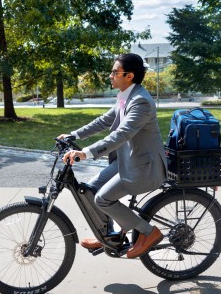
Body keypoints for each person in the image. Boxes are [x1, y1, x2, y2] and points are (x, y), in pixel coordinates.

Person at [58, 53, 167, 259]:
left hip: (144, 167)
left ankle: (149, 232)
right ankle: (108, 236)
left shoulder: (141, 102)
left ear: (129, 76)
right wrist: (74, 135)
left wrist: (85, 153)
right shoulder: (126, 97)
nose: (110, 75)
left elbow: (121, 134)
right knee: (90, 190)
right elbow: (104, 121)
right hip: (128, 162)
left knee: (103, 199)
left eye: (115, 72)